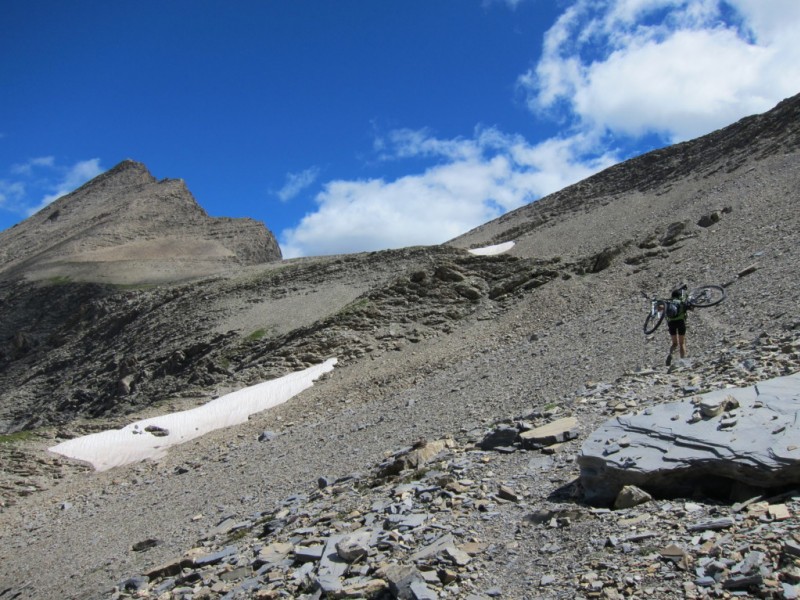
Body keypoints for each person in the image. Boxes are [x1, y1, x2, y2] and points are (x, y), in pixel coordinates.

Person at [665, 284, 691, 365]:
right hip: (680, 322)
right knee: (682, 343)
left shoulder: (669, 302)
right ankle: (683, 360)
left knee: (674, 343)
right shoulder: (681, 301)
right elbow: (690, 307)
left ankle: (670, 354)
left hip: (671, 323)